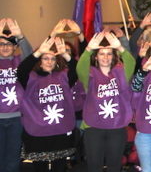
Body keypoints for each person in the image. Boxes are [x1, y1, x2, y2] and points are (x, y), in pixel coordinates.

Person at [76, 31, 135, 172]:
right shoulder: (89, 74)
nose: (105, 57)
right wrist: (88, 49)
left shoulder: (120, 73)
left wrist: (120, 48)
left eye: (109, 53)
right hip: (94, 127)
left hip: (117, 127)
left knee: (114, 166)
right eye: (102, 53)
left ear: (114, 56)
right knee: (93, 165)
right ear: (96, 57)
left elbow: (131, 63)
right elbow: (80, 68)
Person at [18, 37, 77, 172]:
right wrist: (37, 53)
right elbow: (21, 70)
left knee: (59, 167)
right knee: (40, 168)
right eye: (45, 58)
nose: (49, 62)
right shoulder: (30, 77)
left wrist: (65, 54)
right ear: (39, 61)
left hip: (61, 130)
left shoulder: (63, 76)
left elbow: (77, 69)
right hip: (37, 131)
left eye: (52, 58)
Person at [0, 19, 33, 172]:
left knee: (13, 159)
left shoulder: (20, 62)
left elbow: (30, 55)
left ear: (15, 47)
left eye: (8, 44)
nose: (5, 47)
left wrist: (21, 36)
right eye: (1, 44)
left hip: (16, 119)